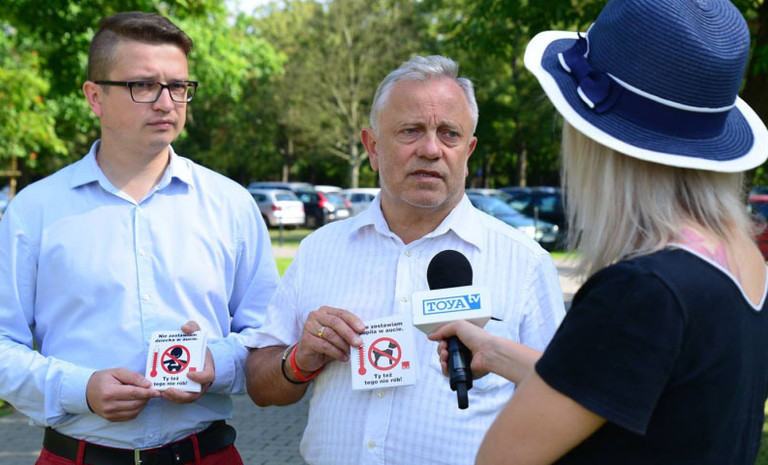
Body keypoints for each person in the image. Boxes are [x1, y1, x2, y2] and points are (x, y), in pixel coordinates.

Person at [430, 0, 768, 463]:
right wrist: (495, 352)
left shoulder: (642, 291)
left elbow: (498, 458)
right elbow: (632, 392)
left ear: (596, 139)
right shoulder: (742, 262)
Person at [245, 55, 566, 465]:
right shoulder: (318, 250)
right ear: (372, 147)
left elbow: (562, 402)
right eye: (410, 131)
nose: (431, 150)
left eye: (449, 134)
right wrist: (299, 359)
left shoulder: (524, 263)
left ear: (468, 151)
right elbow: (260, 386)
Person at [0, 11, 280, 465]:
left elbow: (270, 334)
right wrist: (80, 390)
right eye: (144, 85)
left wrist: (218, 363)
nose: (166, 103)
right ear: (95, 97)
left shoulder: (231, 205)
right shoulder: (34, 211)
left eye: (178, 86)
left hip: (205, 454)